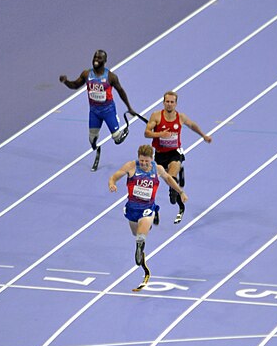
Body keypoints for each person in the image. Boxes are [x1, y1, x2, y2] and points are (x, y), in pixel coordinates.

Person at [108, 144, 187, 274]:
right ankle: (146, 228)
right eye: (142, 160)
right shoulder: (131, 166)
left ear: (152, 159)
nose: (144, 163)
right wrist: (112, 184)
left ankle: (139, 247)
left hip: (147, 207)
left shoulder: (158, 169)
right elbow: (114, 176)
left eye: (146, 161)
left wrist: (180, 192)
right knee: (135, 232)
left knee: (141, 235)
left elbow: (168, 179)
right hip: (132, 208)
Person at [60, 49, 138, 171]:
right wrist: (65, 81)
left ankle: (123, 131)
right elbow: (75, 85)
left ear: (105, 61)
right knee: (92, 140)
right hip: (94, 112)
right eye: (95, 57)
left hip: (108, 111)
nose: (96, 60)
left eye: (99, 58)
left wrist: (129, 108)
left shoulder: (111, 77)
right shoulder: (86, 74)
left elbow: (121, 91)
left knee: (117, 140)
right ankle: (97, 149)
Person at [144, 91, 211, 224]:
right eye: (167, 102)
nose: (169, 104)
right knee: (154, 182)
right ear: (163, 102)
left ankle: (175, 187)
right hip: (159, 154)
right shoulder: (156, 116)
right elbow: (147, 133)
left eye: (172, 102)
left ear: (176, 103)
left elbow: (192, 125)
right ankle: (155, 207)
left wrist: (203, 135)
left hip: (175, 152)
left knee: (171, 178)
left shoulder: (180, 117)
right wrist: (160, 134)